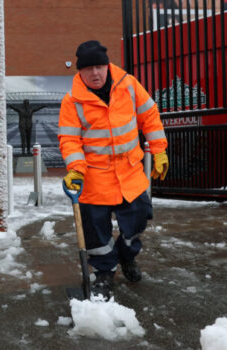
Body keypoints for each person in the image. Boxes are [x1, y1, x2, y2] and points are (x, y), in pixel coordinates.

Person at [57, 40, 168, 299]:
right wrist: (75, 169)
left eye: (99, 67)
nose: (95, 73)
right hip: (94, 178)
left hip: (129, 174)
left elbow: (149, 115)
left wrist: (159, 148)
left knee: (138, 221)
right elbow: (69, 140)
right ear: (80, 72)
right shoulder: (72, 101)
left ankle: (127, 257)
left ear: (107, 66)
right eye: (89, 69)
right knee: (96, 232)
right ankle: (105, 273)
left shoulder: (128, 85)